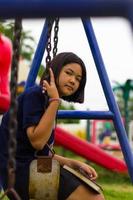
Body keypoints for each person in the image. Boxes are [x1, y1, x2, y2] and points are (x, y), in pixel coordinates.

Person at [0, 52, 105, 200]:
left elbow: (43, 153)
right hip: (20, 174)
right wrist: (55, 101)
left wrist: (72, 163)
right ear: (53, 71)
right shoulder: (35, 95)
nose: (73, 81)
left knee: (94, 194)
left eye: (78, 79)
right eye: (69, 73)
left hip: (34, 167)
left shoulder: (45, 100)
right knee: (93, 197)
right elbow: (37, 142)